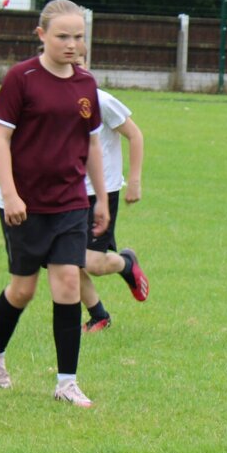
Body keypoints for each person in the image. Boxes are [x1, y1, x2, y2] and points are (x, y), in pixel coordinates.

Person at [0, 0, 108, 409]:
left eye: (79, 37)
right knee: (22, 290)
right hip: (24, 203)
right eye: (63, 36)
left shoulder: (86, 83)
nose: (72, 45)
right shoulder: (22, 78)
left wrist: (101, 197)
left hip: (70, 201)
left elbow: (91, 144)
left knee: (69, 283)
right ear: (41, 36)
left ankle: (66, 382)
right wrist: (12, 193)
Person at [76, 44, 149, 333]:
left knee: (89, 262)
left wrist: (134, 181)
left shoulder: (101, 100)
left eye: (79, 60)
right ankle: (99, 316)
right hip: (65, 193)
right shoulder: (50, 101)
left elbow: (135, 134)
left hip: (100, 192)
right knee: (63, 261)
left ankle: (126, 263)